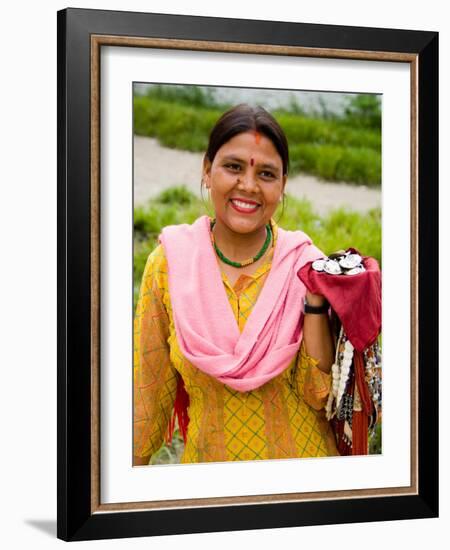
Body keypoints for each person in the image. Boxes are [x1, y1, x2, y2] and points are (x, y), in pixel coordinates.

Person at [133, 103, 340, 465]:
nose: (248, 185)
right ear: (207, 170)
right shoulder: (168, 265)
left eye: (266, 174)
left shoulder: (307, 265)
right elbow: (147, 396)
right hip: (209, 487)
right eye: (233, 167)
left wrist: (315, 300)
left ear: (283, 185)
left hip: (306, 481)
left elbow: (319, 393)